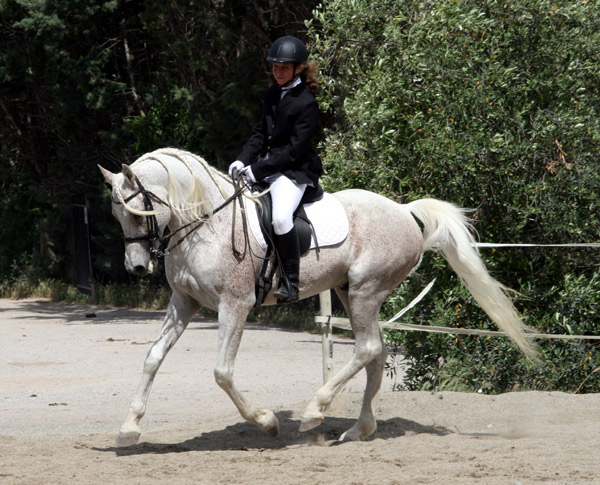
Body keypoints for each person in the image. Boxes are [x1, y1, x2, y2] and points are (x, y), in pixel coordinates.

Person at [229, 35, 323, 304]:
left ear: (297, 68)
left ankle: (291, 283)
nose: (278, 72)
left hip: (295, 171)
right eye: (275, 67)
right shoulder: (272, 94)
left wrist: (257, 170)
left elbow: (294, 151)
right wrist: (242, 159)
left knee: (281, 218)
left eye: (283, 68)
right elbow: (260, 133)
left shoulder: (307, 102)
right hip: (269, 167)